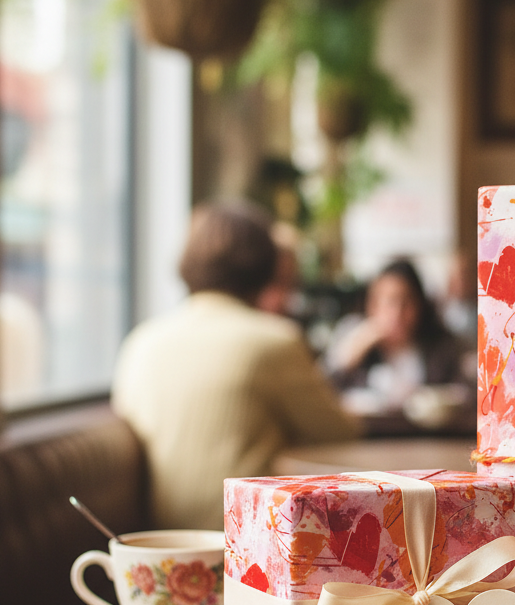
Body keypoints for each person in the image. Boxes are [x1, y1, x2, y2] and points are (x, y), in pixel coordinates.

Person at [112, 200, 359, 531]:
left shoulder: (140, 342)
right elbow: (339, 434)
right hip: (247, 544)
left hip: (161, 545)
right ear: (265, 267)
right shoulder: (273, 341)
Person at [329, 258, 468, 417]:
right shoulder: (354, 339)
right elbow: (324, 394)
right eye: (390, 301)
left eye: (406, 302)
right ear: (372, 305)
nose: (397, 314)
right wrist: (350, 355)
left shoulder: (441, 347)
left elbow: (463, 392)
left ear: (420, 305)